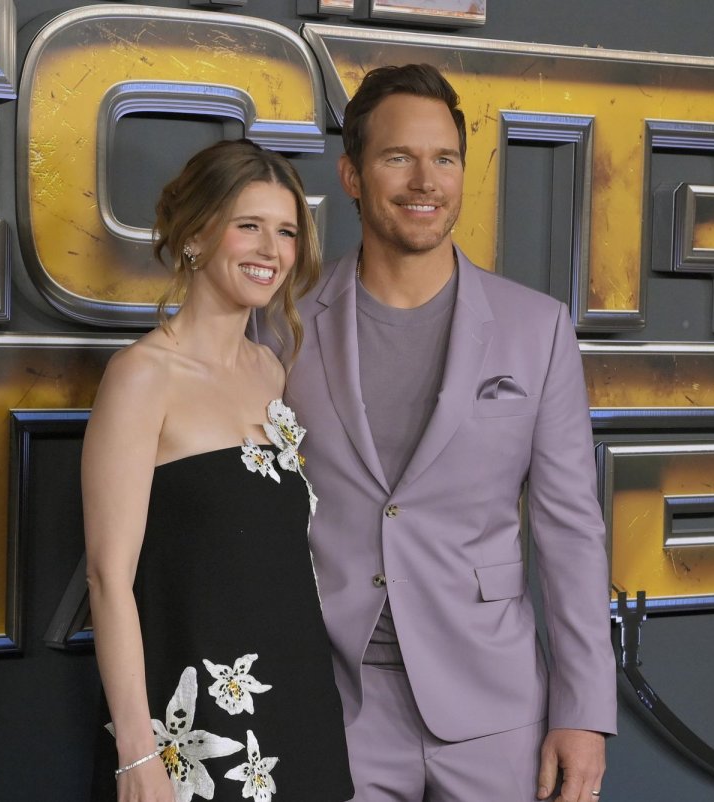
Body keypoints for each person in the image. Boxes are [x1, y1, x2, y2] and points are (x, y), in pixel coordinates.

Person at [276, 64, 618, 802]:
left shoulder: (538, 329)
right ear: (353, 175)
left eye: (445, 159)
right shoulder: (285, 324)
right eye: (399, 157)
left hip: (496, 710)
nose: (425, 181)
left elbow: (570, 531)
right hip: (334, 703)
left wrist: (584, 710)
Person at [83, 139, 353, 802]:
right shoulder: (141, 377)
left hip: (298, 709)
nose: (272, 251)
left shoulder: (270, 370)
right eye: (249, 226)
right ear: (197, 236)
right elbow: (108, 578)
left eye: (286, 231)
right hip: (192, 728)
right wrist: (135, 752)